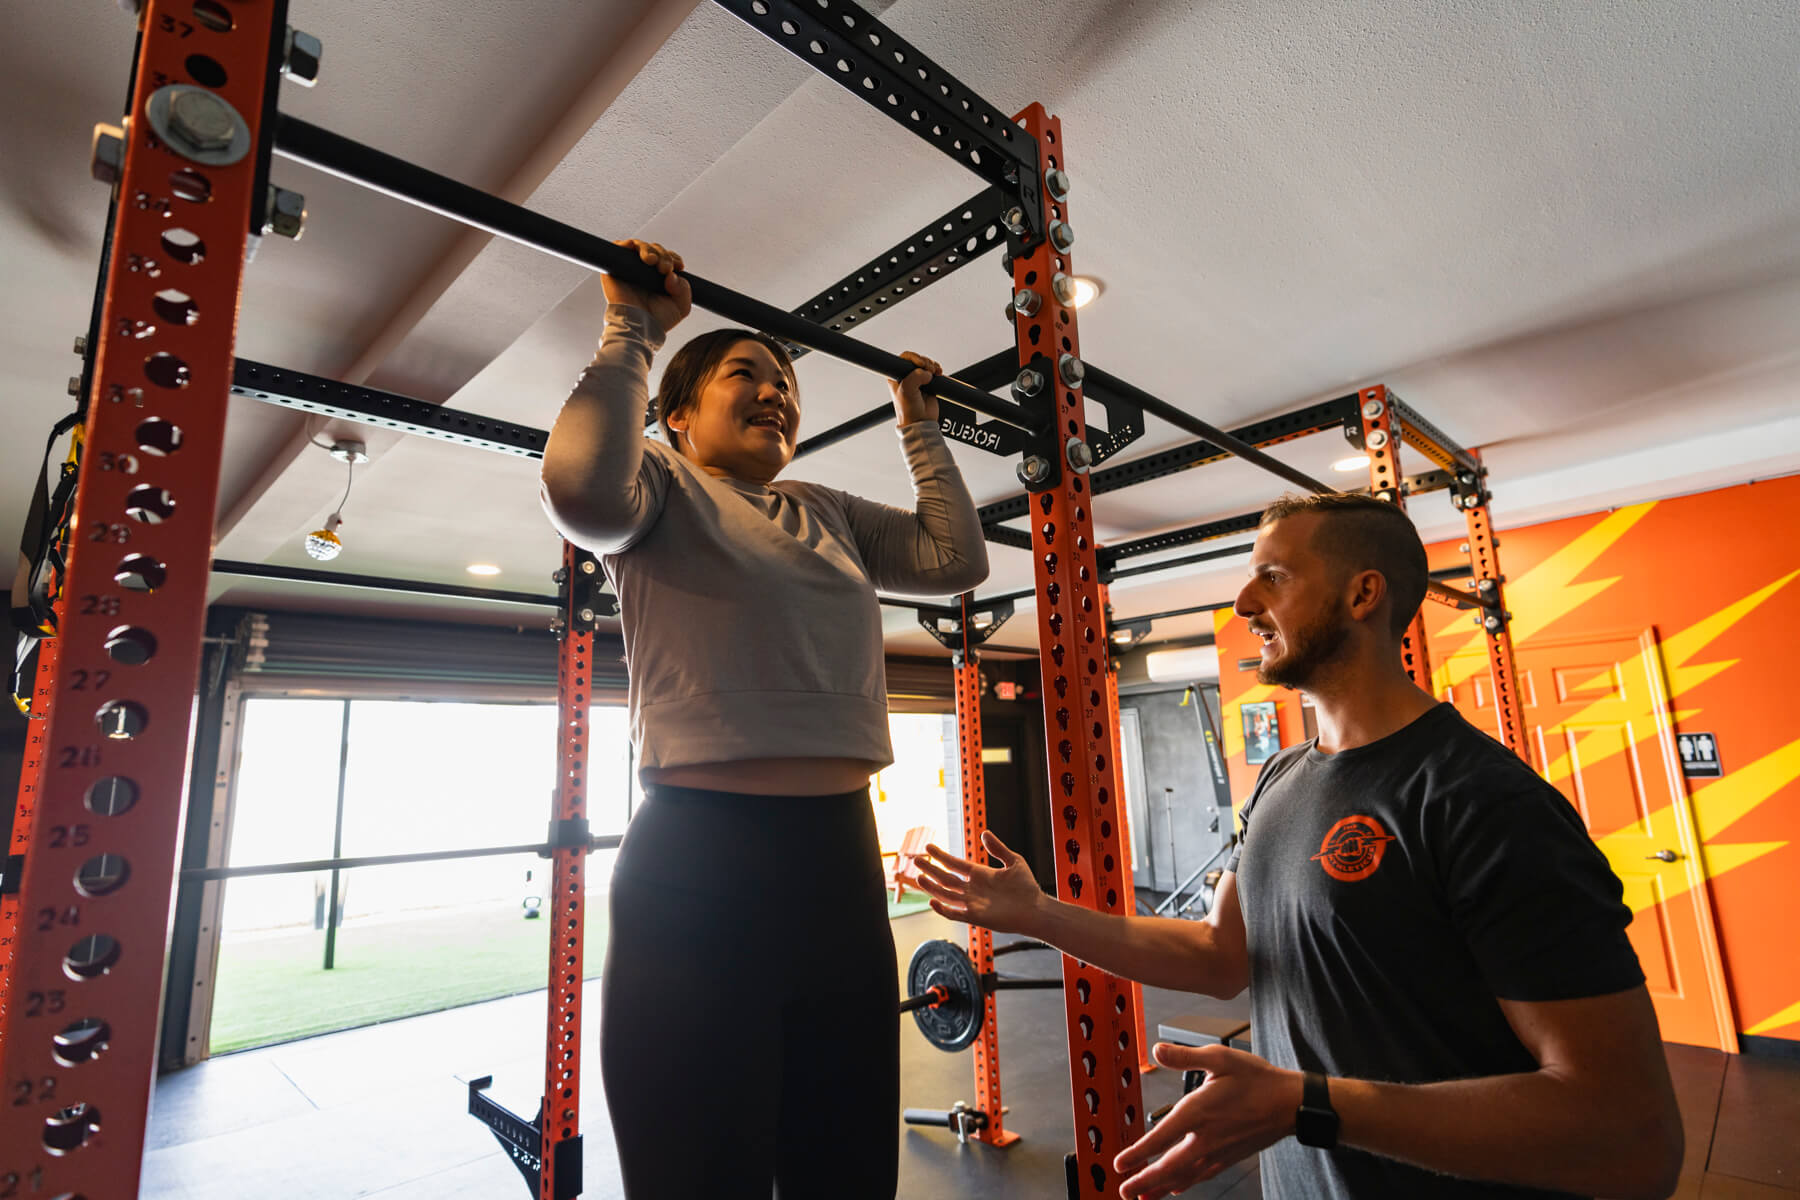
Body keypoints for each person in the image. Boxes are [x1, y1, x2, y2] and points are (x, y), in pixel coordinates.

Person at [914, 491, 1684, 1200]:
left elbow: (1631, 1136)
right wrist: (1042, 914)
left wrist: (1310, 1105)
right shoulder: (1282, 779)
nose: (1244, 603)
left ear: (1362, 595)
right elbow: (1221, 957)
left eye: (1272, 578)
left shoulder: (1483, 801)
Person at [540, 240, 989, 1198]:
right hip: (699, 871)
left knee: (848, 1172)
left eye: (785, 382)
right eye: (744, 374)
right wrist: (634, 330)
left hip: (836, 864)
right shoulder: (660, 486)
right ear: (678, 416)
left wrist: (920, 427)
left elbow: (955, 561)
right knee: (700, 1177)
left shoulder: (824, 509)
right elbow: (579, 491)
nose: (775, 391)